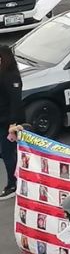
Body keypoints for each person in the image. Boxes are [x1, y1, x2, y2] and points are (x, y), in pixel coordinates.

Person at [0, 45, 23, 200]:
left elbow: (15, 101)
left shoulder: (11, 76)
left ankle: (13, 184)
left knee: (8, 154)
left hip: (8, 123)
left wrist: (12, 124)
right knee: (5, 153)